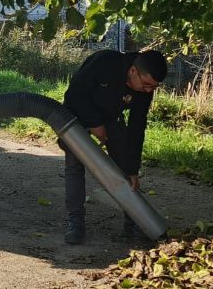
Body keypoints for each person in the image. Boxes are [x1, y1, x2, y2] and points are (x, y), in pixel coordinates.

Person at [61, 47, 168, 245]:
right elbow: (74, 95)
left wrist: (132, 168)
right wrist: (94, 124)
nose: (147, 91)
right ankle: (75, 222)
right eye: (146, 85)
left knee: (124, 170)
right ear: (133, 71)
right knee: (75, 165)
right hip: (76, 115)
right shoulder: (104, 62)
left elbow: (137, 126)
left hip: (109, 118)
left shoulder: (145, 89)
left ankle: (135, 222)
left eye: (153, 88)